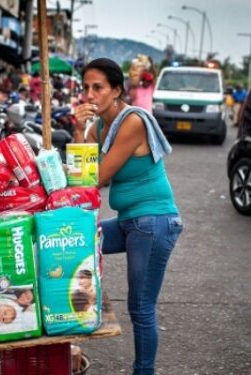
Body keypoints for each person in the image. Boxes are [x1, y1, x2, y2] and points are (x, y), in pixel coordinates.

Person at [72, 58, 183, 375]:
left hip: (153, 223)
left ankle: (143, 372)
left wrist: (87, 136)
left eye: (98, 87)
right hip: (131, 222)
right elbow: (82, 171)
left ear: (117, 90)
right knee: (80, 240)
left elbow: (99, 176)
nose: (90, 94)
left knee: (141, 305)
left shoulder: (133, 121)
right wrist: (80, 129)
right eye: (86, 87)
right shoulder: (99, 126)